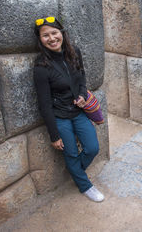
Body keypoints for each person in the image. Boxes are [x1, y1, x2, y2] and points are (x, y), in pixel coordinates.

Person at [33, 16, 104, 202]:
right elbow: (44, 103)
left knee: (92, 148)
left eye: (54, 33)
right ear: (40, 39)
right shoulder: (41, 67)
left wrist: (81, 95)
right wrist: (54, 135)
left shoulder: (74, 52)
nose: (52, 38)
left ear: (62, 33)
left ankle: (76, 172)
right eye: (45, 35)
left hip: (78, 112)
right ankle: (85, 186)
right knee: (71, 153)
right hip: (60, 118)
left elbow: (81, 77)